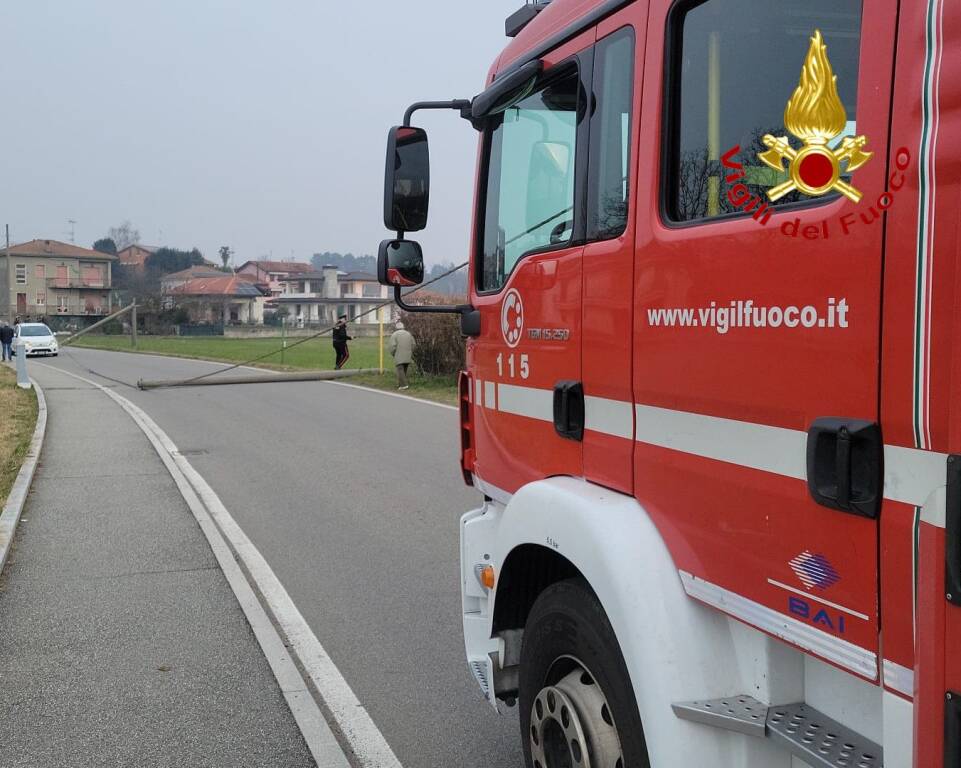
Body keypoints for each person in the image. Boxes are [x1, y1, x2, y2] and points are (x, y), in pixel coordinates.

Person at [388, 320, 416, 390]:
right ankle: (401, 385)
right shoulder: (408, 334)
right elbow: (413, 344)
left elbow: (392, 346)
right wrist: (410, 351)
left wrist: (394, 354)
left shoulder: (395, 334)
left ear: (396, 328)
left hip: (399, 355)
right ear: (403, 327)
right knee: (404, 370)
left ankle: (404, 385)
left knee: (400, 370)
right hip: (408, 355)